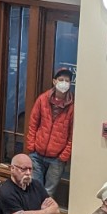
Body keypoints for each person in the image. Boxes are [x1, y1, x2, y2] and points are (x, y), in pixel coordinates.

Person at [25, 66, 75, 198]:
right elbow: (33, 123)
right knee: (35, 188)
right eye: (61, 79)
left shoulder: (73, 105)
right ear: (54, 81)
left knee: (48, 193)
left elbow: (73, 134)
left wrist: (64, 156)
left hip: (57, 158)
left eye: (67, 80)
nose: (64, 83)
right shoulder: (43, 99)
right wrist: (31, 147)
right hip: (37, 153)